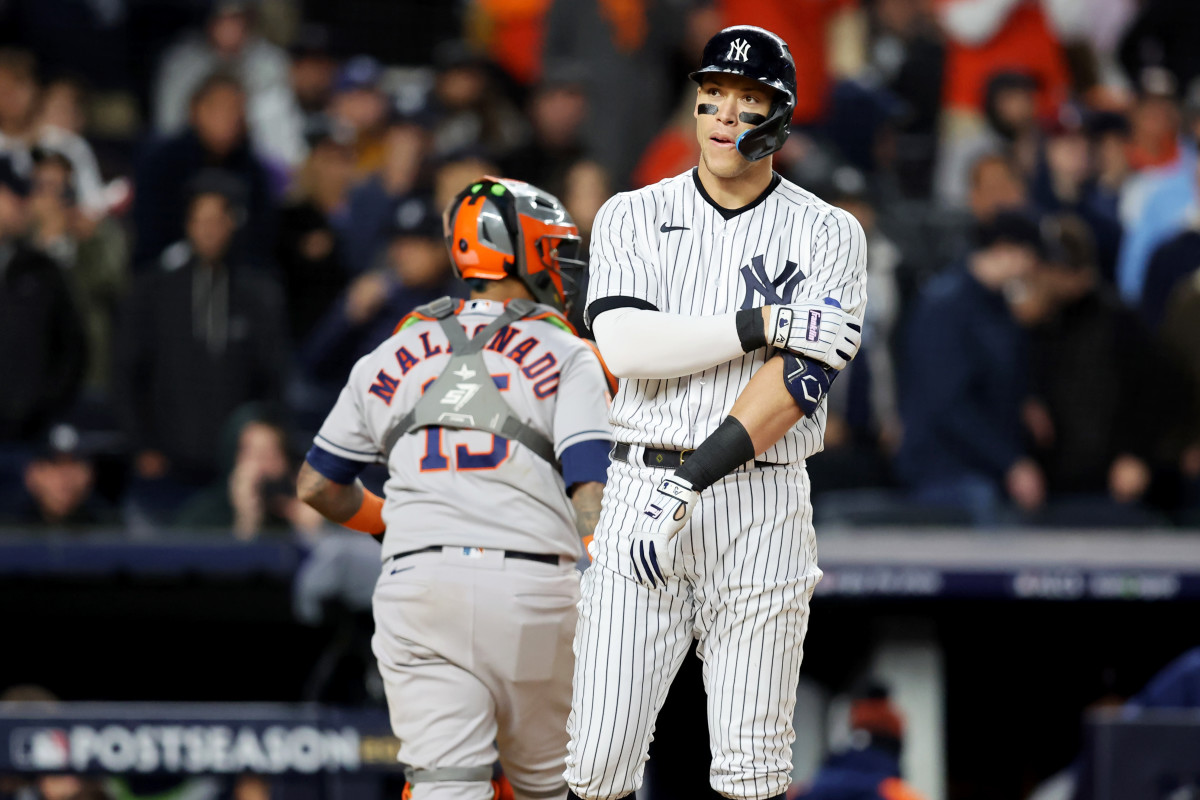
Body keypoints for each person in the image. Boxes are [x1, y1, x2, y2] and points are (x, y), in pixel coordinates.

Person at [565, 26, 867, 800]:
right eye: (713, 99)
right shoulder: (631, 213)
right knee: (598, 760)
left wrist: (696, 477)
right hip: (639, 490)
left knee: (753, 767)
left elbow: (795, 383)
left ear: (781, 116)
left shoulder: (830, 232)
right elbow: (627, 346)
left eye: (748, 101)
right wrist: (759, 322)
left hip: (759, 501)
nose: (726, 116)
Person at [298, 177, 613, 800]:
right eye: (552, 248)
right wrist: (616, 580)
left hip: (417, 588)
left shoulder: (395, 347)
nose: (561, 264)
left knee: (447, 788)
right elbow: (589, 491)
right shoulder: (568, 351)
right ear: (520, 251)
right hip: (533, 592)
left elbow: (317, 485)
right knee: (557, 787)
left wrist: (390, 522)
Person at [114, 174, 288, 525]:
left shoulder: (259, 293)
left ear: (232, 224)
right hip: (166, 467)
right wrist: (142, 445)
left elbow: (274, 378)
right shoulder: (154, 290)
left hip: (237, 471)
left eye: (217, 219)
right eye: (200, 219)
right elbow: (126, 371)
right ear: (187, 224)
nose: (208, 229)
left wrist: (260, 451)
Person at [895, 212, 1044, 524]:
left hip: (985, 468)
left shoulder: (997, 304)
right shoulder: (946, 305)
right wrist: (1011, 462)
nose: (1034, 269)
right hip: (946, 470)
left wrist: (1025, 402)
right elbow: (946, 403)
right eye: (1032, 257)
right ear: (1007, 249)